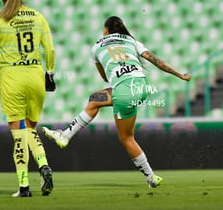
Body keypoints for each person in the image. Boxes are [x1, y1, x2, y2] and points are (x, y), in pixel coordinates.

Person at [43, 16, 192, 188]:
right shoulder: (130, 40)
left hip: (123, 91)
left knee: (127, 138)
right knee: (94, 100)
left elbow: (105, 77)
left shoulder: (97, 46)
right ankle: (66, 135)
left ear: (105, 30)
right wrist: (180, 75)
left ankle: (151, 177)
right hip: (140, 87)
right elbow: (156, 61)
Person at [0, 0, 56, 197]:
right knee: (31, 129)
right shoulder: (38, 16)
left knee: (19, 135)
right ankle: (44, 165)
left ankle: (24, 187)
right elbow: (50, 49)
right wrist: (50, 74)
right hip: (36, 76)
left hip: (12, 78)